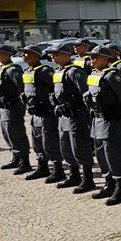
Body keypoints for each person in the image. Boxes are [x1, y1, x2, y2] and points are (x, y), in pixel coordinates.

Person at [83, 45, 121, 206]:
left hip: (110, 119)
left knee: (113, 154)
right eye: (91, 57)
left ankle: (120, 188)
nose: (91, 59)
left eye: (95, 57)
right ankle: (108, 183)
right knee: (101, 153)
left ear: (105, 58)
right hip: (96, 119)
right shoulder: (94, 74)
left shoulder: (112, 76)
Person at [48, 43, 95, 192]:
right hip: (63, 115)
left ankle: (88, 179)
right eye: (52, 54)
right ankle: (74, 175)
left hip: (76, 115)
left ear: (67, 55)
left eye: (56, 54)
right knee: (66, 145)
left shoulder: (75, 72)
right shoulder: (58, 72)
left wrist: (76, 107)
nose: (53, 57)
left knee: (79, 146)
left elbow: (85, 95)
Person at [19, 44, 64, 181]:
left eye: (27, 53)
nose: (23, 56)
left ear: (35, 56)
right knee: (37, 141)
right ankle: (42, 166)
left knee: (50, 140)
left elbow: (56, 88)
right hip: (35, 113)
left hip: (46, 113)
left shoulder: (44, 71)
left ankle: (58, 169)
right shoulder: (27, 71)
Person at [0, 44, 31, 174]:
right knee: (7, 132)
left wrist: (15, 103)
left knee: (16, 133)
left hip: (12, 106)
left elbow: (22, 90)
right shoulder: (0, 68)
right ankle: (16, 157)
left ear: (7, 55)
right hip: (3, 105)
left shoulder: (13, 70)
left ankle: (25, 161)